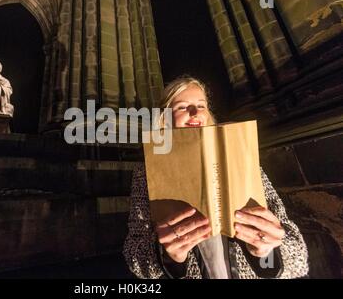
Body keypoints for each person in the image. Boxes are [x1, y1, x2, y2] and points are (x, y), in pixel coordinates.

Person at [123, 76, 309, 279]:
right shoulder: (147, 172)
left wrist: (267, 252)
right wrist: (169, 256)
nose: (194, 113)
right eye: (183, 107)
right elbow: (135, 253)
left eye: (200, 105)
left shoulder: (242, 160)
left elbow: (297, 254)